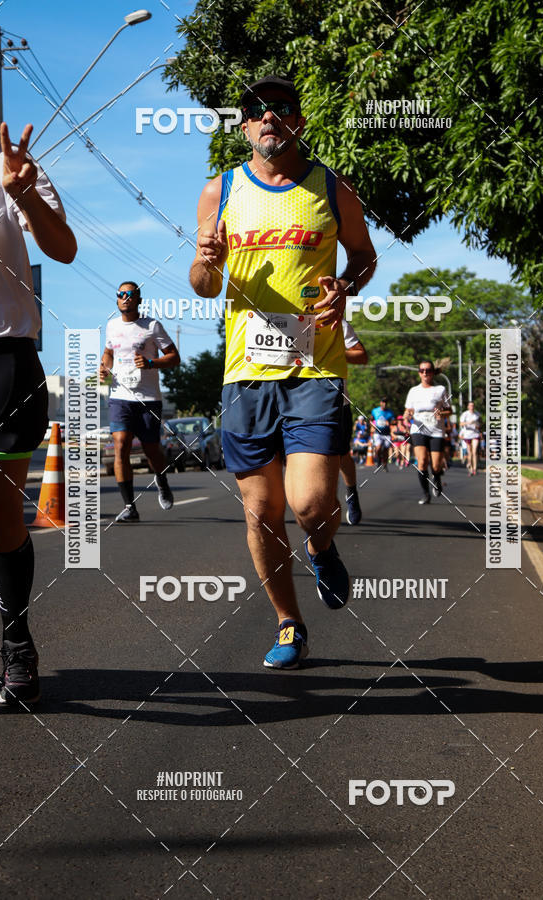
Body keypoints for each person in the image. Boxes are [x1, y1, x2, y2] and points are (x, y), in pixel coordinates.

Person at [189, 74, 376, 668]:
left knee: (312, 504)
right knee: (261, 512)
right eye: (255, 109)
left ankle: (321, 550)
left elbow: (364, 256)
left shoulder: (331, 187)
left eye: (280, 107)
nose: (267, 116)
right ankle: (289, 623)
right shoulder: (219, 190)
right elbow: (203, 285)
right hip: (245, 373)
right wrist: (205, 261)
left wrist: (345, 287)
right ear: (244, 125)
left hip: (315, 368)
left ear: (298, 121)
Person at [0, 122, 77, 705]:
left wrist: (23, 193)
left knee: (1, 521)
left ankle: (17, 643)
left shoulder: (9, 165)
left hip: (4, 358)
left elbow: (64, 249)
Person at [100, 282, 180, 522]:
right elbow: (109, 353)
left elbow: (174, 357)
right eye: (121, 294)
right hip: (120, 396)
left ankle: (162, 480)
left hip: (148, 399)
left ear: (139, 300)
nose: (125, 298)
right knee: (121, 444)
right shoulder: (112, 326)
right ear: (117, 299)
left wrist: (151, 363)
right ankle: (129, 507)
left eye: (130, 294)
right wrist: (104, 367)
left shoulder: (152, 326)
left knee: (151, 450)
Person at [404, 360, 452, 504]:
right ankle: (425, 494)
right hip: (418, 429)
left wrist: (442, 414)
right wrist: (407, 415)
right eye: (422, 370)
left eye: (428, 370)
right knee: (422, 461)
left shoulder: (440, 389)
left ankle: (436, 477)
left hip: (436, 430)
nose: (425, 373)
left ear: (433, 372)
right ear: (419, 373)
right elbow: (408, 410)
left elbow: (449, 410)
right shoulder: (413, 391)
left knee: (436, 465)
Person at [339, 319, 368, 525]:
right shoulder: (282, 317)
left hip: (335, 402)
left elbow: (361, 355)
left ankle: (351, 491)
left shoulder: (336, 322)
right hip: (293, 403)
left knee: (341, 455)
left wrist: (332, 353)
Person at [370, 397, 395, 471]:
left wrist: (389, 422)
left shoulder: (390, 412)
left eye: (386, 402)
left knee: (386, 450)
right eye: (383, 402)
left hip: (386, 433)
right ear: (380, 403)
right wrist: (372, 425)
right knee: (378, 448)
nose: (384, 404)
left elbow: (394, 421)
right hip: (377, 432)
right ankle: (378, 461)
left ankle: (385, 464)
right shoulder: (375, 411)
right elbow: (371, 419)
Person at [459, 400, 482, 476]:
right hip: (467, 434)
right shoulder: (465, 414)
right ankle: (471, 468)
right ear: (468, 406)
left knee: (474, 451)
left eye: (473, 405)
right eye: (470, 405)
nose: (472, 407)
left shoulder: (477, 414)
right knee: (470, 452)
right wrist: (468, 423)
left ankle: (475, 468)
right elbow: (461, 423)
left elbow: (480, 423)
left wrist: (477, 425)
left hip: (475, 434)